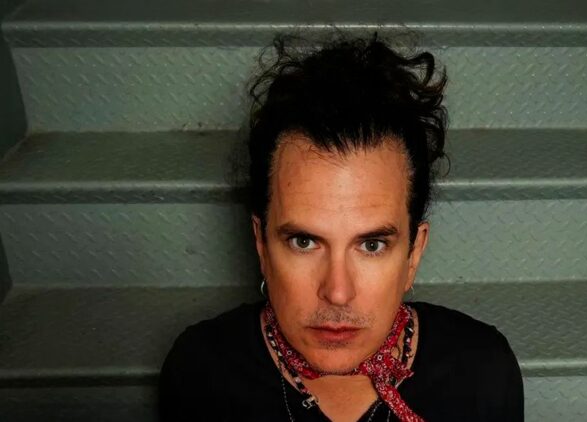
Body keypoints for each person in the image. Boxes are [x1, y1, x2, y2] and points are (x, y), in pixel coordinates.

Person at [159, 31, 524, 422]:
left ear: (414, 254)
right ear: (261, 245)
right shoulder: (203, 373)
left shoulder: (480, 374)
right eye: (304, 242)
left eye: (371, 245)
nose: (337, 292)